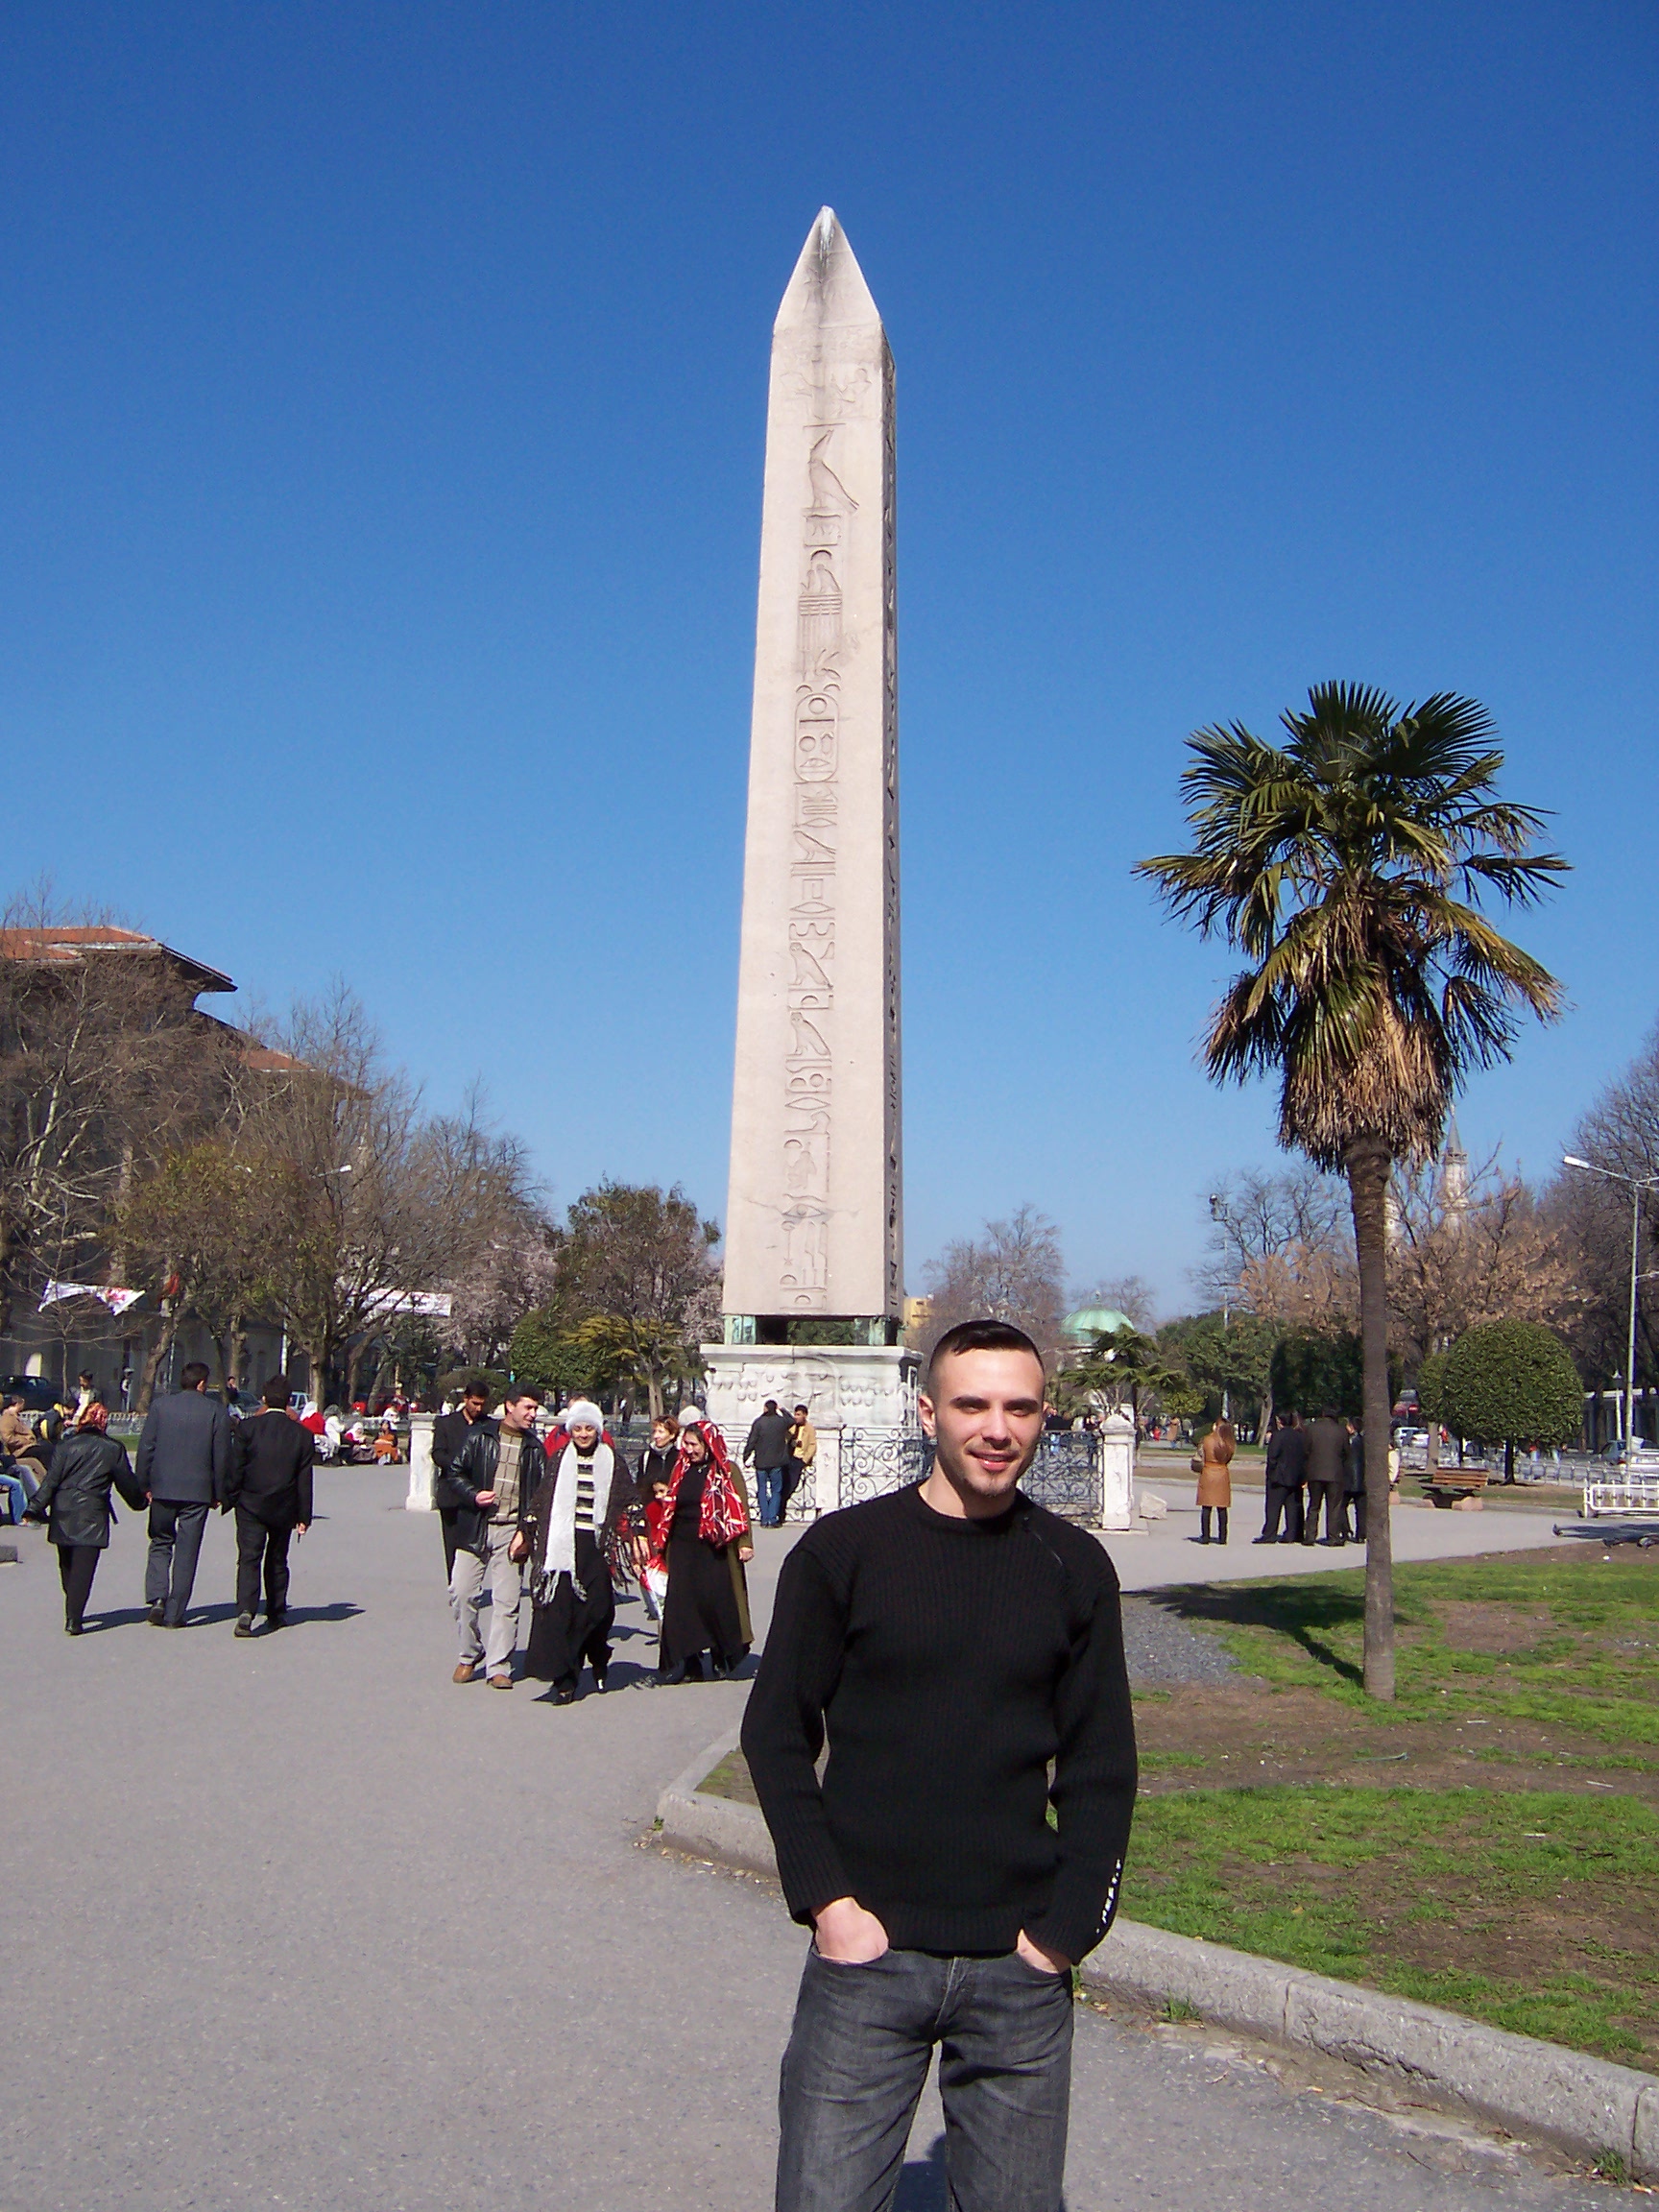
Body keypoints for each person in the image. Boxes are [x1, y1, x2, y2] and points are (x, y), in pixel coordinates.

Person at [742, 1318, 1137, 2212]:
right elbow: (774, 1733)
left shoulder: (1074, 1566)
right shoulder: (843, 1553)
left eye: (1019, 1408)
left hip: (1019, 1963)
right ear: (928, 1414)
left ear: (1044, 1416)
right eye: (973, 1406)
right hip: (868, 1950)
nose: (997, 1429)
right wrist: (829, 1904)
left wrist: (1068, 1930)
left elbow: (1101, 1761)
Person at [522, 1399, 644, 1702]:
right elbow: (543, 1498)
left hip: (596, 1546)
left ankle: (598, 1653)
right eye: (578, 1428)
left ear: (597, 1430)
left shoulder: (612, 1460)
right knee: (564, 1615)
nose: (583, 1434)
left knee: (599, 1611)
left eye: (589, 1428)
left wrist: (639, 1531)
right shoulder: (559, 1459)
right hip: (563, 1547)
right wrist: (526, 1528)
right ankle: (566, 1680)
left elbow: (630, 1499)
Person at [437, 1385, 539, 1689]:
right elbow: (454, 1473)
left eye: (535, 1408)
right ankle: (470, 1653)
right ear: (510, 1406)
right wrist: (473, 1495)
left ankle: (499, 1667)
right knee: (461, 1592)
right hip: (475, 1526)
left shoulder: (534, 1448)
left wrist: (526, 1532)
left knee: (507, 1602)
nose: (533, 1414)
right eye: (528, 1407)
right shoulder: (480, 1437)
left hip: (511, 1531)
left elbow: (539, 1497)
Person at [25, 1402, 146, 1634]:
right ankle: (74, 1617)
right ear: (103, 1422)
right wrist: (139, 1502)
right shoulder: (113, 1449)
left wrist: (34, 1507)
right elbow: (126, 1482)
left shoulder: (65, 1446)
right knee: (84, 1570)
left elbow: (51, 1480)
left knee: (67, 1567)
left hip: (63, 1511)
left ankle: (72, 1606)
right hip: (92, 1513)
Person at [658, 1410, 753, 1682]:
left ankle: (722, 1653)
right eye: (685, 1444)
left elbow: (740, 1508)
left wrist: (745, 1543)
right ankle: (689, 1661)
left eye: (693, 1445)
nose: (688, 1450)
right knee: (683, 1604)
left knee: (716, 1602)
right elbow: (671, 1504)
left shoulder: (726, 1470)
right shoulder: (681, 1468)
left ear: (708, 1443)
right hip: (683, 1544)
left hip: (715, 1546)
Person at [136, 1360, 232, 1627]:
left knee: (160, 1541)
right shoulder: (215, 1411)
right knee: (187, 1551)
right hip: (197, 1491)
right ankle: (175, 1611)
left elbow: (146, 1448)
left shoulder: (161, 1406)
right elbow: (221, 1455)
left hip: (163, 1486)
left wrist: (144, 1484)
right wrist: (219, 1492)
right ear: (202, 1384)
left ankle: (157, 1597)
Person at [226, 1374, 315, 1636]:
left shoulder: (247, 1428)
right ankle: (276, 1610)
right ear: (288, 1402)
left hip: (250, 1503)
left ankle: (246, 1609)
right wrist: (304, 1516)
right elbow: (304, 1478)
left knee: (249, 1557)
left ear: (264, 1399)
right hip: (283, 1505)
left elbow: (236, 1467)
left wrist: (231, 1496)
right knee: (277, 1559)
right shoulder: (301, 1435)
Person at [430, 1379, 491, 1578]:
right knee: (452, 1544)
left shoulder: (488, 1425)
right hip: (451, 1496)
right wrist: (458, 1466)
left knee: (474, 1546)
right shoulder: (446, 1423)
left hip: (477, 1495)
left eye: (482, 1404)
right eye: (475, 1403)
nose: (478, 1408)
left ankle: (470, 1583)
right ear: (465, 1399)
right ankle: (454, 1584)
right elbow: (438, 1454)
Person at [1255, 1409, 1307, 1544]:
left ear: (1280, 1421)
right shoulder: (1299, 1436)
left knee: (1273, 1507)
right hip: (1295, 1477)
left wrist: (1271, 1473)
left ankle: (1270, 1533)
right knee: (1292, 1507)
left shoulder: (1278, 1436)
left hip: (1278, 1477)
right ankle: (1292, 1534)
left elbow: (1273, 1456)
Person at [744, 1397, 795, 1530]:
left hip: (761, 1462)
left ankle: (764, 1518)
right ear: (775, 1409)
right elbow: (792, 1420)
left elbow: (752, 1441)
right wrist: (783, 1410)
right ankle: (772, 1519)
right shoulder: (781, 1422)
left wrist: (746, 1455)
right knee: (776, 1490)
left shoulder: (759, 1422)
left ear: (765, 1408)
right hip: (777, 1462)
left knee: (762, 1489)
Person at [1303, 1407, 1349, 1546]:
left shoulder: (1311, 1429)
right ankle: (1333, 1536)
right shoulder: (1341, 1430)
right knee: (1333, 1506)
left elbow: (1306, 1450)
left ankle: (1310, 1536)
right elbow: (1347, 1452)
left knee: (1314, 1505)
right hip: (1335, 1473)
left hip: (1315, 1472)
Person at [1194, 1416, 1235, 1545]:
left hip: (1208, 1471)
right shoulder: (1228, 1442)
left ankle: (1205, 1536)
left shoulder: (1206, 1440)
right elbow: (1229, 1458)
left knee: (1206, 1506)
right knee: (1222, 1507)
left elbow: (1200, 1454)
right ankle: (1223, 1537)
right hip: (1222, 1473)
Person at [783, 1402, 817, 1516]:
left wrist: (805, 1460)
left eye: (799, 1415)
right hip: (788, 1458)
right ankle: (780, 1510)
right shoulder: (792, 1426)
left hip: (798, 1459)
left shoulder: (809, 1428)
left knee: (792, 1485)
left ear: (805, 1415)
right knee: (784, 1485)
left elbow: (812, 1445)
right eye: (795, 1414)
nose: (796, 1417)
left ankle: (782, 1506)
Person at [1343, 1418, 1367, 1543]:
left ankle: (1345, 1529)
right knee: (1361, 1509)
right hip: (1362, 1479)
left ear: (1351, 1427)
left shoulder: (1349, 1441)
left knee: (1341, 1506)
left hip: (1348, 1479)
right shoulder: (1364, 1442)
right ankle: (1361, 1534)